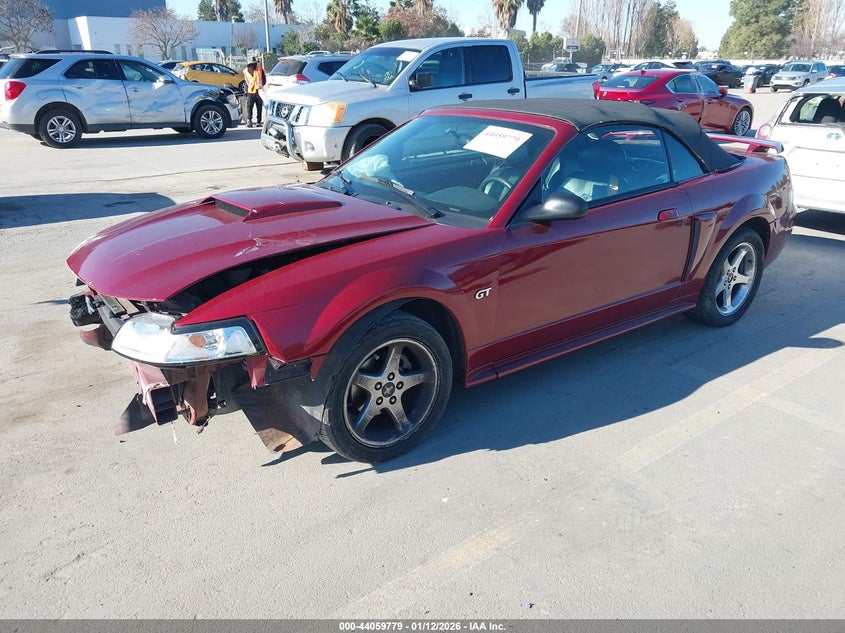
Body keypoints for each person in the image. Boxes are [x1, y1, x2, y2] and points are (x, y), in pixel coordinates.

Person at [243, 59, 264, 127]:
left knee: (253, 106)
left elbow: (263, 79)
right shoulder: (246, 71)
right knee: (253, 106)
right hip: (253, 91)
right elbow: (246, 81)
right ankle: (253, 121)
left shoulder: (259, 69)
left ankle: (255, 121)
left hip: (257, 91)